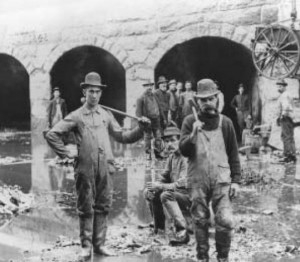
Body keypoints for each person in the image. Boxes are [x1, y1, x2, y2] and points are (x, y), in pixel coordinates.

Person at [45, 72, 150, 260]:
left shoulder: (106, 115)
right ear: (84, 92)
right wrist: (66, 153)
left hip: (106, 168)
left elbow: (122, 137)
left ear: (101, 93)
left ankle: (99, 245)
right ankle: (86, 247)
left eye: (97, 91)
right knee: (85, 207)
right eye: (91, 91)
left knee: (103, 206)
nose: (94, 95)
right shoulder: (76, 116)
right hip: (84, 168)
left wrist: (141, 128)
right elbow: (52, 134)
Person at [180, 79, 241, 262]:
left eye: (210, 99)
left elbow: (233, 154)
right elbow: (183, 150)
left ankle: (223, 258)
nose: (207, 103)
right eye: (203, 100)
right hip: (197, 179)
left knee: (225, 220)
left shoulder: (226, 122)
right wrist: (193, 135)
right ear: (197, 102)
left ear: (217, 99)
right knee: (199, 219)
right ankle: (202, 258)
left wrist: (236, 181)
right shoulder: (190, 121)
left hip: (221, 179)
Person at [144, 125, 191, 245]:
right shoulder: (172, 156)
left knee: (166, 195)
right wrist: (154, 185)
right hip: (179, 195)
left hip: (192, 197)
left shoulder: (186, 157)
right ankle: (159, 229)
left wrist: (160, 186)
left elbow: (182, 184)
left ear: (180, 140)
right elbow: (164, 176)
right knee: (151, 191)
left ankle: (182, 232)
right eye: (167, 141)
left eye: (173, 140)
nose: (169, 144)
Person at [135, 80, 163, 160]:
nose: (150, 87)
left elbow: (159, 108)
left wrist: (162, 117)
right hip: (147, 121)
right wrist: (143, 119)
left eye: (151, 85)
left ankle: (158, 153)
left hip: (156, 120)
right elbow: (138, 114)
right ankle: (148, 154)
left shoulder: (154, 96)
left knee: (158, 137)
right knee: (148, 137)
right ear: (144, 87)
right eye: (147, 86)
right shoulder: (140, 98)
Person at [276, 79, 296, 163]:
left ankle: (288, 156)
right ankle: (292, 155)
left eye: (280, 86)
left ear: (284, 87)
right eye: (278, 86)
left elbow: (286, 106)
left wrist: (281, 116)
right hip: (289, 118)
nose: (278, 88)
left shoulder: (284, 95)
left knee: (286, 137)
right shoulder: (287, 94)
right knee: (289, 136)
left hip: (286, 118)